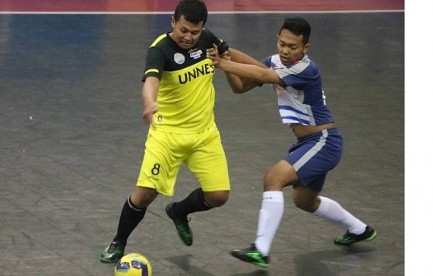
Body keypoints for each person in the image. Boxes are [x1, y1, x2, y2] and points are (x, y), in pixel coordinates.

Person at [207, 17, 377, 268]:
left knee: (273, 178)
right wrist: (226, 53)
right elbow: (241, 87)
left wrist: (222, 63)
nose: (286, 51)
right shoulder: (276, 62)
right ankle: (360, 229)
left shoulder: (306, 69)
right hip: (308, 143)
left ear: (305, 48)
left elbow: (263, 74)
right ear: (277, 38)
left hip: (323, 141)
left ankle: (261, 250)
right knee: (304, 201)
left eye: (293, 47)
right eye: (282, 44)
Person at [100, 0, 261, 263]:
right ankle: (118, 241)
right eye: (184, 30)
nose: (188, 37)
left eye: (194, 32)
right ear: (173, 22)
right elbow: (151, 80)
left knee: (219, 196)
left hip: (205, 133)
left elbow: (232, 54)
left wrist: (266, 71)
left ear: (203, 29)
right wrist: (149, 102)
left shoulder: (207, 39)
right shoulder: (160, 49)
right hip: (167, 135)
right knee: (145, 193)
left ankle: (178, 211)